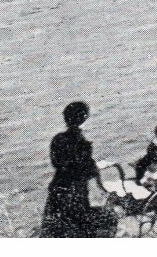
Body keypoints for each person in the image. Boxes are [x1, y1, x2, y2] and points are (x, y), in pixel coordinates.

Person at [40, 101, 118, 238]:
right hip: (75, 193)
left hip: (58, 187)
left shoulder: (57, 140)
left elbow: (57, 163)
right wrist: (95, 169)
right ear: (84, 119)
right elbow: (87, 172)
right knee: (108, 219)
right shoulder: (84, 145)